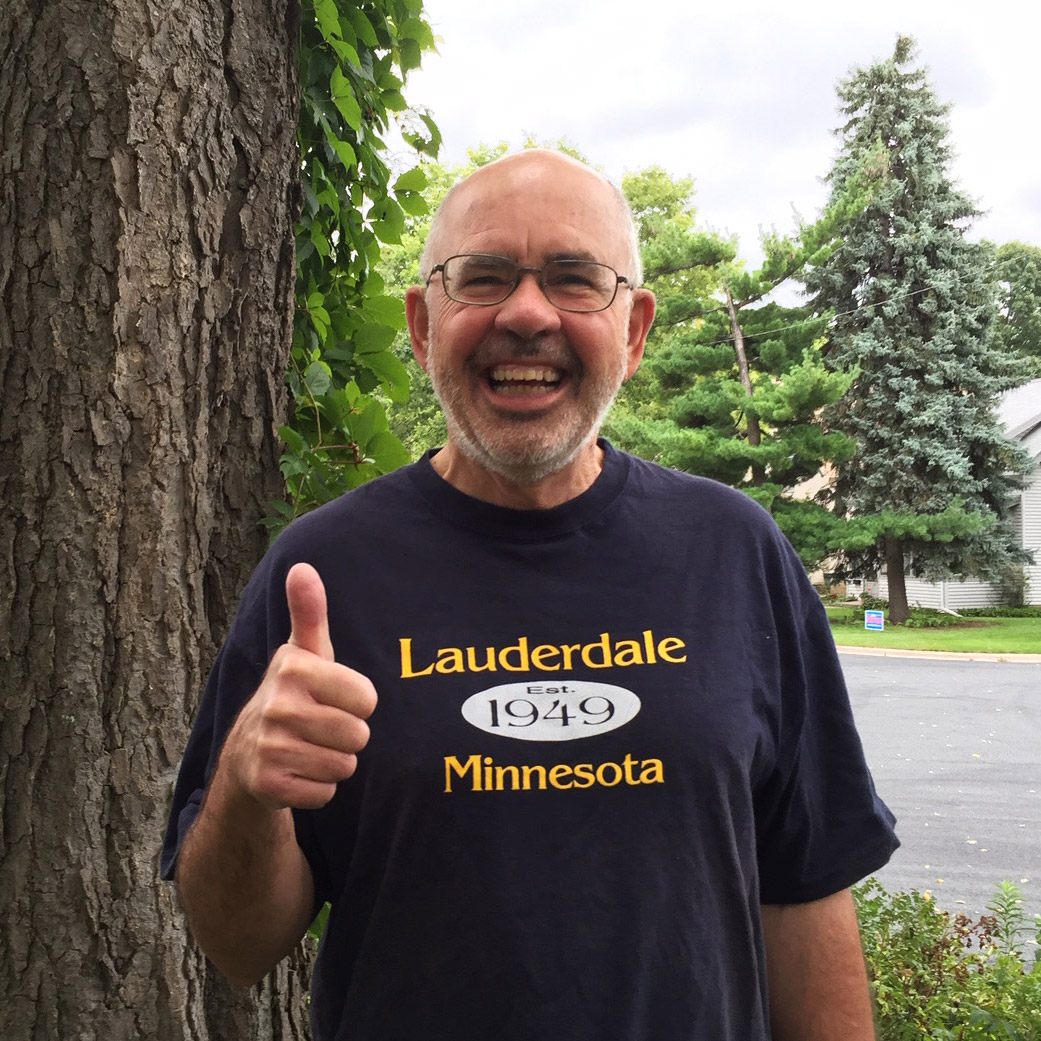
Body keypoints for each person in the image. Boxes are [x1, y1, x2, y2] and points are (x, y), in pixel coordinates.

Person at [163, 150, 898, 1040]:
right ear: (423, 325)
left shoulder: (734, 551)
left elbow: (806, 883)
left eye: (573, 279)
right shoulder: (321, 571)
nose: (524, 311)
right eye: (482, 277)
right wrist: (246, 782)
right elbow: (236, 944)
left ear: (633, 331)